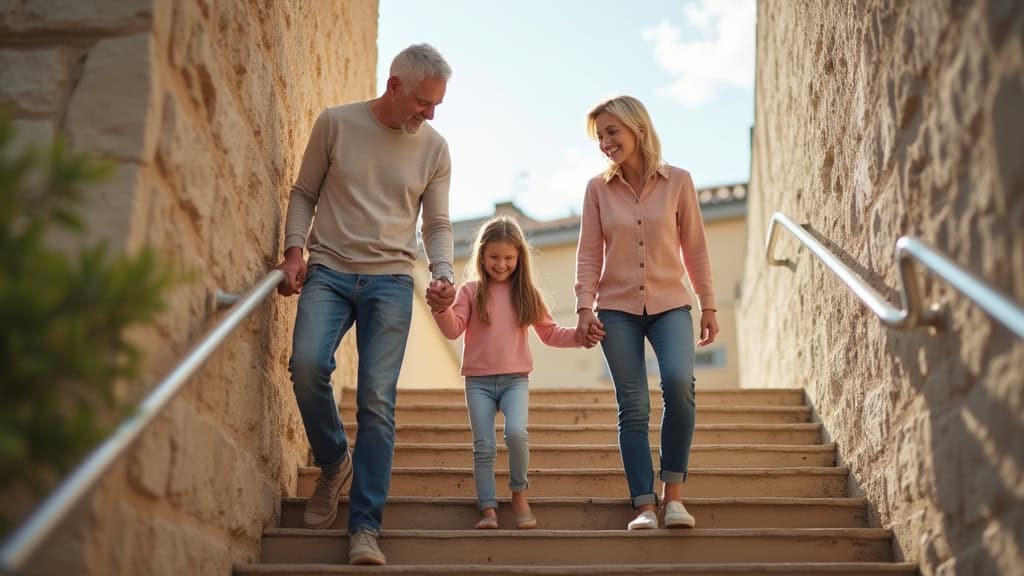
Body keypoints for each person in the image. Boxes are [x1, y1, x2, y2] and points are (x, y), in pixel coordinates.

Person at [275, 43, 456, 566]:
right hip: (329, 270)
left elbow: (437, 226)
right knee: (307, 366)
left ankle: (365, 526)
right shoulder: (335, 124)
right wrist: (293, 252)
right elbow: (304, 193)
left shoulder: (436, 149)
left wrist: (442, 273)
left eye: (438, 104)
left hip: (392, 281)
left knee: (378, 399)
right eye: (424, 101)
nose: (431, 113)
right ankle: (335, 462)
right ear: (394, 85)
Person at [574, 95, 719, 531]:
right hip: (615, 309)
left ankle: (673, 496)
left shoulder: (679, 181)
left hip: (670, 303)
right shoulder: (597, 189)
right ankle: (643, 505)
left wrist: (708, 304)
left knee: (678, 383)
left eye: (612, 132)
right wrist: (584, 306)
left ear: (637, 128)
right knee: (632, 404)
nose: (605, 142)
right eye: (600, 136)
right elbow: (588, 253)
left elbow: (694, 247)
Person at [431, 216, 599, 530]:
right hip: (478, 382)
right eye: (494, 257)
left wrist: (579, 336)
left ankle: (518, 493)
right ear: (482, 256)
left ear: (519, 257)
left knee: (517, 433)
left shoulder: (526, 293)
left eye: (509, 258)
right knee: (484, 446)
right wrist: (441, 309)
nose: (501, 264)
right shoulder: (470, 291)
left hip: (515, 381)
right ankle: (488, 508)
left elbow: (549, 333)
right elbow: (453, 330)